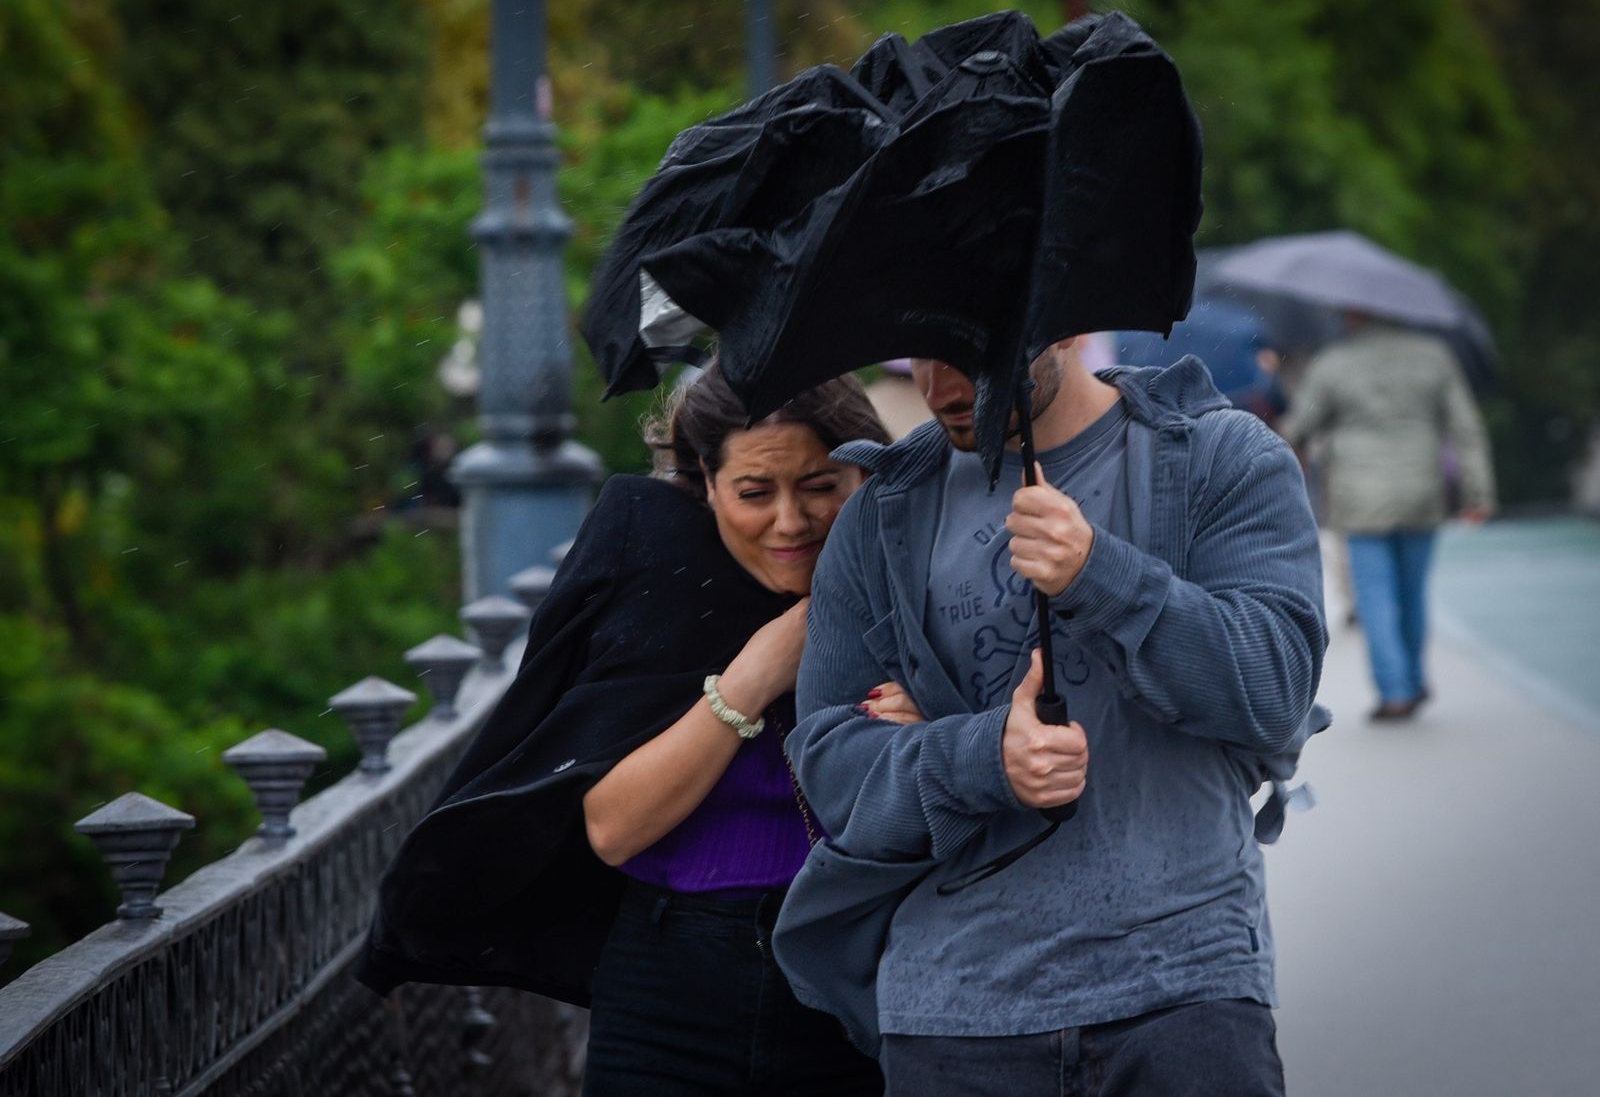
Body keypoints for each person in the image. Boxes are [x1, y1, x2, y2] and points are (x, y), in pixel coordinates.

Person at [772, 340, 1329, 1096]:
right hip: (954, 1014)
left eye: (969, 351)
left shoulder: (1217, 455)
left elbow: (1274, 690)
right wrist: (982, 757)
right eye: (921, 356)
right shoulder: (882, 514)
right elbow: (833, 770)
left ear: (1062, 321)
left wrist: (1099, 573)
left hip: (1182, 990)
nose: (941, 386)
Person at [357, 362, 889, 1096]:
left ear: (862, 477)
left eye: (821, 487)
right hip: (669, 993)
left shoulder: (906, 589)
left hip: (861, 975)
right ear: (705, 481)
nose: (790, 522)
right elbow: (611, 828)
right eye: (754, 493)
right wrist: (756, 674)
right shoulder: (663, 589)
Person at [1280, 313, 1495, 720]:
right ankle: (1413, 678)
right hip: (1421, 491)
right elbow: (1465, 426)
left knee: (1375, 596)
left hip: (1359, 496)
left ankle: (1394, 691)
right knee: (1413, 592)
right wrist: (1478, 492)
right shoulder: (1434, 356)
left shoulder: (1334, 362)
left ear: (1355, 315)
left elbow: (1299, 424)